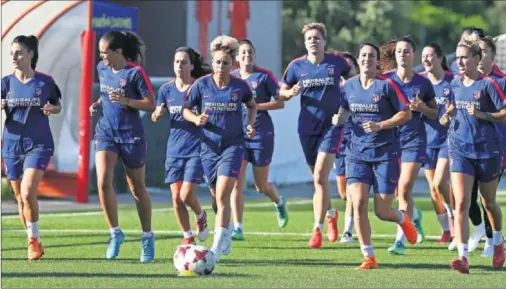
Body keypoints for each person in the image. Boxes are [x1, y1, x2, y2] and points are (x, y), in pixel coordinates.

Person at [334, 42, 416, 270]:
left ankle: (401, 218)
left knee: (381, 211)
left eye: (371, 56)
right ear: (358, 60)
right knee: (358, 202)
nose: (367, 59)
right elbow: (344, 109)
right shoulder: (348, 86)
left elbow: (406, 113)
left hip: (384, 154)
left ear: (378, 62)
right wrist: (339, 118)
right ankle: (368, 256)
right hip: (356, 153)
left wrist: (381, 125)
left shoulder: (387, 85)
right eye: (363, 56)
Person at [183, 35, 257, 261]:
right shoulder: (201, 85)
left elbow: (252, 106)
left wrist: (249, 124)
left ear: (232, 64)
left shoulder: (240, 86)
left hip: (233, 146)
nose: (221, 67)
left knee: (224, 195)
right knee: (216, 198)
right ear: (212, 63)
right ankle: (225, 228)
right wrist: (196, 119)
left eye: (226, 63)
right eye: (217, 62)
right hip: (208, 148)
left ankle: (215, 248)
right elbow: (186, 109)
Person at [279, 23, 351, 248]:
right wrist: (289, 93)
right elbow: (281, 92)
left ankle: (316, 230)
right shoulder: (296, 66)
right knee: (318, 179)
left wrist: (347, 99)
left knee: (320, 176)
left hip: (332, 126)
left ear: (324, 42)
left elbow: (354, 82)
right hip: (307, 127)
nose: (313, 41)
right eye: (309, 38)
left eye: (317, 38)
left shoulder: (337, 63)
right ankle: (330, 213)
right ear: (305, 42)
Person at [439, 34, 506, 273]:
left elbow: (504, 113)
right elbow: (451, 107)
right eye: (457, 58)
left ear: (477, 58)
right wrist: (446, 114)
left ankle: (498, 242)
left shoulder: (488, 84)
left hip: (488, 150)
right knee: (462, 203)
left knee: (488, 203)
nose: (459, 62)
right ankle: (463, 257)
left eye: (464, 58)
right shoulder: (453, 85)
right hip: (460, 149)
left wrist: (484, 115)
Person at [89, 31, 156, 262]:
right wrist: (98, 103)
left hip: (131, 136)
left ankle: (147, 237)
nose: (101, 57)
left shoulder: (135, 73)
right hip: (106, 132)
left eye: (104, 52)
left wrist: (126, 101)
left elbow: (151, 103)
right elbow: (108, 95)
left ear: (118, 52)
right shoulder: (102, 69)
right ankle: (115, 233)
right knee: (102, 181)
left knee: (137, 188)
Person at [1, 35, 62, 261]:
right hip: (11, 145)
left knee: (28, 192)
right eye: (12, 53)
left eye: (18, 53)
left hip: (38, 144)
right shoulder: (5, 83)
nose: (14, 57)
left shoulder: (44, 82)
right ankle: (33, 238)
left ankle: (33, 241)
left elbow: (58, 104)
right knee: (19, 197)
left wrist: (52, 109)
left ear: (30, 55)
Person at [151, 47, 212, 245]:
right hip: (174, 149)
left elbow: (211, 112)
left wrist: (201, 118)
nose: (179, 66)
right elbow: (155, 114)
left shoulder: (200, 87)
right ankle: (187, 237)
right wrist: (157, 114)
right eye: (177, 61)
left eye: (184, 62)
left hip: (197, 147)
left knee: (186, 195)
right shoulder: (166, 90)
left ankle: (200, 214)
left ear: (192, 65)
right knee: (176, 198)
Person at [229, 39, 289, 241]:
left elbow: (280, 103)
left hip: (262, 134)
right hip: (238, 136)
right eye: (243, 53)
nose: (247, 55)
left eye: (250, 52)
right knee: (237, 183)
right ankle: (238, 227)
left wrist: (255, 107)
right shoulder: (232, 77)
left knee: (260, 186)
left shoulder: (264, 76)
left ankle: (279, 202)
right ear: (237, 57)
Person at [384, 36, 438, 254]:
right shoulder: (386, 81)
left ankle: (400, 241)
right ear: (395, 55)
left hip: (414, 140)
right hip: (391, 141)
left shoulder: (423, 83)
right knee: (398, 192)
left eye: (406, 51)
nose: (402, 54)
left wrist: (422, 108)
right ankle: (414, 217)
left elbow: (435, 113)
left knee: (404, 188)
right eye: (399, 51)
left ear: (413, 54)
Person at [466, 35, 506, 257]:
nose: (479, 57)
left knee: (486, 198)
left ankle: (493, 240)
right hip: (468, 148)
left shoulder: (502, 81)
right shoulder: (466, 80)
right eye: (476, 53)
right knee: (463, 197)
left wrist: (483, 115)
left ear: (492, 55)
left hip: (497, 148)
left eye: (483, 52)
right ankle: (480, 230)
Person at [419, 42, 455, 243]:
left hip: (449, 139)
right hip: (427, 139)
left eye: (430, 55)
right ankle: (446, 230)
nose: (425, 59)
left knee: (441, 182)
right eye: (423, 56)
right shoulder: (421, 83)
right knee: (433, 188)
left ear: (440, 58)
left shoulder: (452, 81)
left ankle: (453, 216)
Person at [326, 51, 359, 243]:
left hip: (357, 141)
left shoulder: (361, 87)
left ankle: (347, 231)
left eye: (349, 68)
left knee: (353, 188)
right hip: (339, 141)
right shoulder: (335, 89)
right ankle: (340, 217)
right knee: (344, 193)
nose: (346, 73)